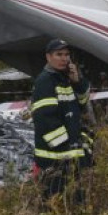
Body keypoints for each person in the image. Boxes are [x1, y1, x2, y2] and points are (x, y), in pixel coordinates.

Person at [31, 38, 93, 199]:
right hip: (54, 155)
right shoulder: (45, 81)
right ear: (48, 57)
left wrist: (77, 81)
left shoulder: (66, 79)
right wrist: (66, 144)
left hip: (69, 152)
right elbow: (44, 118)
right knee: (54, 199)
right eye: (59, 54)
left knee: (76, 197)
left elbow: (82, 102)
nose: (64, 58)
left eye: (66, 55)